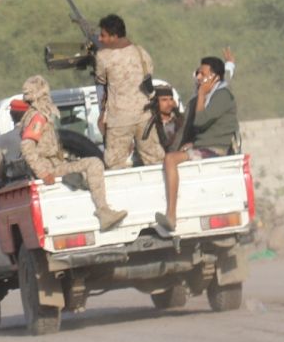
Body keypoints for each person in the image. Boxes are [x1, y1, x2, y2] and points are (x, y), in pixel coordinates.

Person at [17, 75, 128, 231]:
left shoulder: (32, 115)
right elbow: (27, 145)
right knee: (94, 163)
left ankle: (78, 178)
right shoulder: (38, 116)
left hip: (56, 163)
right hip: (50, 167)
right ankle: (103, 212)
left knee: (82, 168)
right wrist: (42, 172)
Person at [155, 57, 238, 234]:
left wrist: (201, 94)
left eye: (203, 74)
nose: (198, 77)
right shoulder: (212, 93)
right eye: (198, 73)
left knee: (170, 160)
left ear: (214, 78)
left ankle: (171, 215)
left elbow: (200, 121)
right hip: (204, 145)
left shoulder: (222, 95)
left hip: (215, 149)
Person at [93, 14, 156, 169]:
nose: (100, 39)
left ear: (114, 36)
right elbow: (149, 73)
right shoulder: (141, 52)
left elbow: (101, 81)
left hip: (119, 119)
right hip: (145, 116)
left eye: (103, 35)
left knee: (115, 164)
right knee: (153, 159)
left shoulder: (103, 56)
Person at [136, 84, 183, 165]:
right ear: (156, 102)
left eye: (171, 99)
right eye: (164, 100)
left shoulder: (180, 120)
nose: (169, 103)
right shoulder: (148, 124)